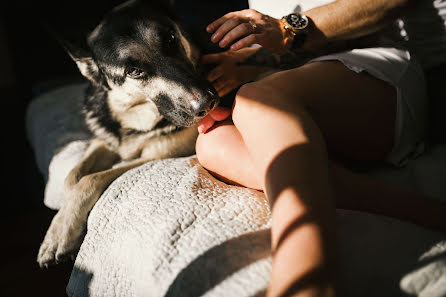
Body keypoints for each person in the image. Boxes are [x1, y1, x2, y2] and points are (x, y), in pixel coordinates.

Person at [194, 0, 446, 296]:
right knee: (213, 140)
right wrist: (247, 62)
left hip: (371, 68)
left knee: (257, 101)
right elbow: (286, 49)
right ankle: (425, 211)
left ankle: (308, 276)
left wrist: (286, 29)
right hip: (294, 81)